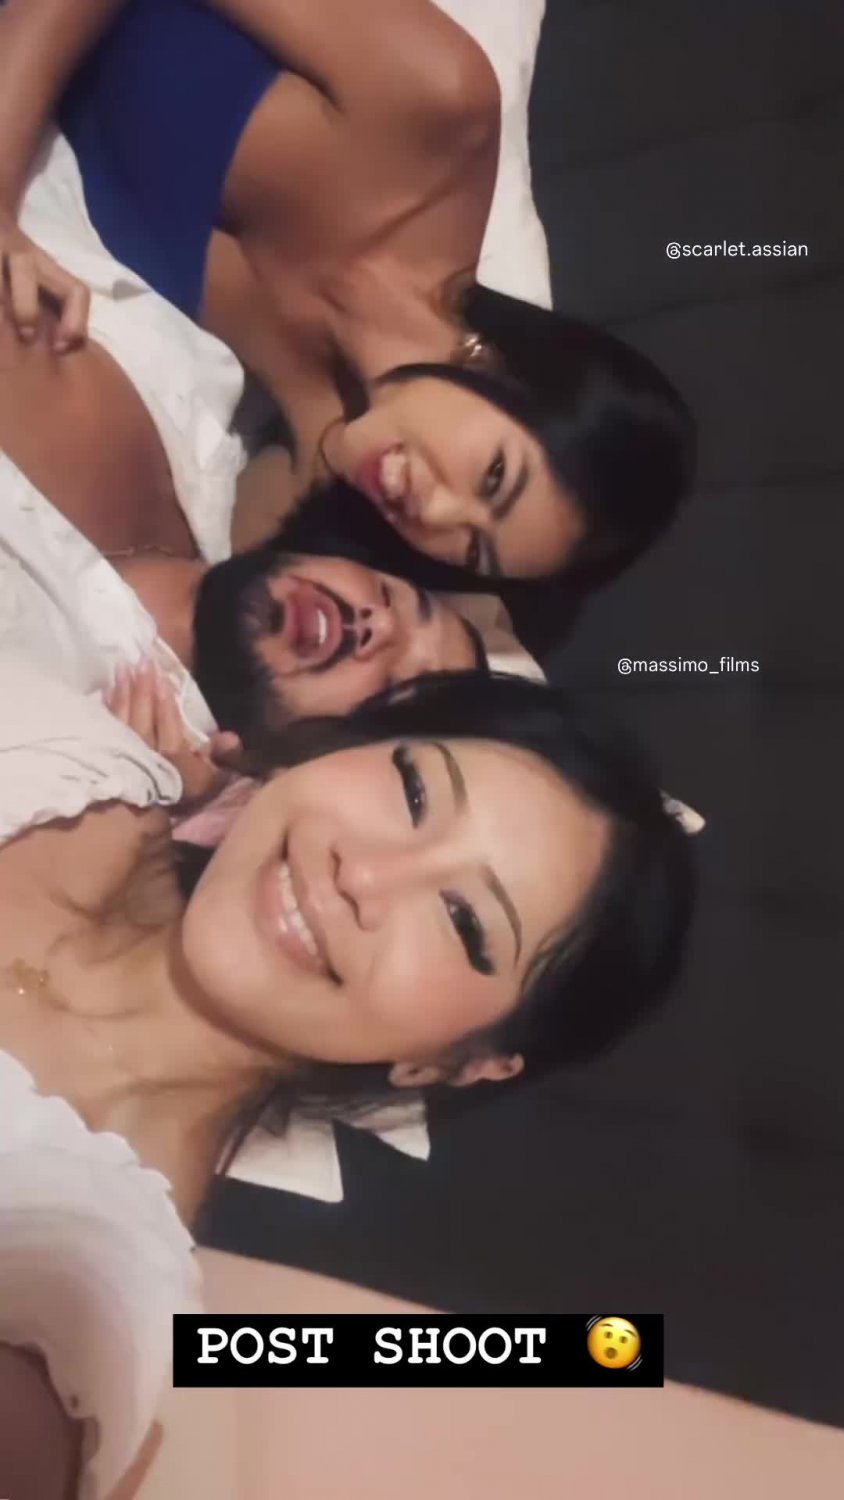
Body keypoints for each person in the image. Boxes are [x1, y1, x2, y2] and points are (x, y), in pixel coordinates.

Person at [0, 655, 695, 1498]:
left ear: (452, 1061)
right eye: (413, 792)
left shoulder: (89, 1275)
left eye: (465, 922)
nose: (361, 876)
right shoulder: (72, 750)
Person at [0, 0, 696, 586]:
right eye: (492, 479)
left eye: (473, 550)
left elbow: (193, 599)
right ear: (506, 370)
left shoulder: (323, 460)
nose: (435, 517)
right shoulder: (439, 110)